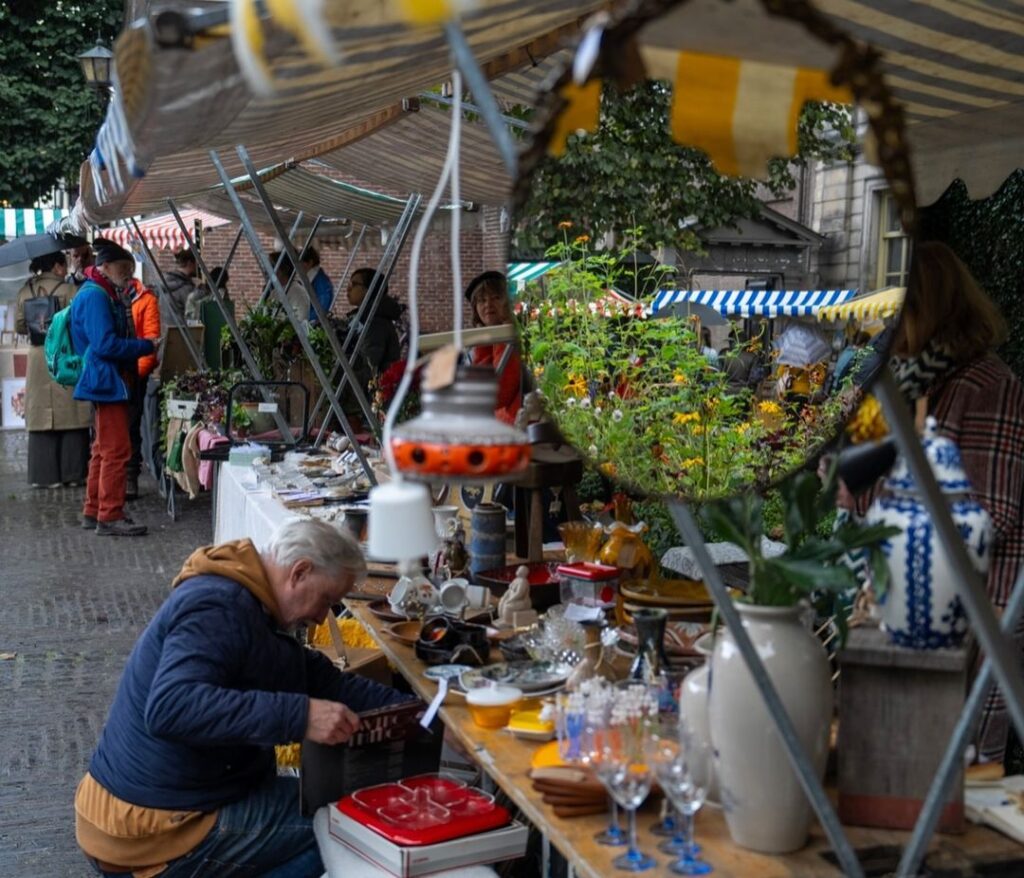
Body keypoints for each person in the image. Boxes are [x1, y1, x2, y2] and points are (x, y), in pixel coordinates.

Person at [74, 519, 415, 877]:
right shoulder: (219, 606)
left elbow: (328, 682)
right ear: (299, 572)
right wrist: (300, 716)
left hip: (159, 801)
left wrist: (421, 717)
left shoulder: (257, 606)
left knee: (327, 810)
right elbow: (171, 706)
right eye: (326, 600)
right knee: (344, 831)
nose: (320, 617)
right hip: (147, 825)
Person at [889, 241, 1024, 764]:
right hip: (915, 608)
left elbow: (991, 513)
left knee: (959, 779)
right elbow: (851, 496)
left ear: (931, 310)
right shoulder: (910, 383)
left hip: (978, 615)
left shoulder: (988, 385)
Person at [70, 241, 157, 537]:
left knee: (102, 449)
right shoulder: (96, 296)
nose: (128, 275)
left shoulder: (100, 291)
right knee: (117, 449)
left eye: (131, 270)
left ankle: (94, 510)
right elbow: (105, 344)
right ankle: (109, 514)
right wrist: (145, 346)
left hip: (104, 379)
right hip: (107, 381)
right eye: (123, 269)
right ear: (105, 267)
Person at [14, 251, 93, 487]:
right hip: (65, 353)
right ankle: (73, 473)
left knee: (39, 416)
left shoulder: (25, 290)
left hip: (38, 356)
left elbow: (19, 326)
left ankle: (43, 476)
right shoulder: (69, 290)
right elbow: (81, 322)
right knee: (73, 413)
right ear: (58, 266)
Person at [465, 270, 522, 425]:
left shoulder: (514, 338)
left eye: (496, 297)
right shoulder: (477, 345)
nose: (488, 304)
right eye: (482, 300)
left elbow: (498, 394)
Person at [126, 277, 161, 500]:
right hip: (112, 374)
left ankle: (130, 476)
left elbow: (151, 340)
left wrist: (136, 374)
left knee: (131, 427)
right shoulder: (104, 295)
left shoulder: (146, 300)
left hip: (134, 375)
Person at [346, 267, 403, 380]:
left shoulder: (375, 322)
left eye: (354, 284)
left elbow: (368, 365)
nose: (348, 288)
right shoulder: (364, 317)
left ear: (369, 289)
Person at [162, 248, 198, 330]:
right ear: (190, 263)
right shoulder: (186, 289)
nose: (198, 267)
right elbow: (194, 315)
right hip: (182, 336)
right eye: (197, 263)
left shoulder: (165, 283)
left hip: (165, 335)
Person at [299, 245, 334, 322]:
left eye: (301, 263)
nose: (298, 267)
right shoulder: (315, 279)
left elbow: (321, 308)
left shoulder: (321, 281)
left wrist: (304, 319)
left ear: (310, 262)